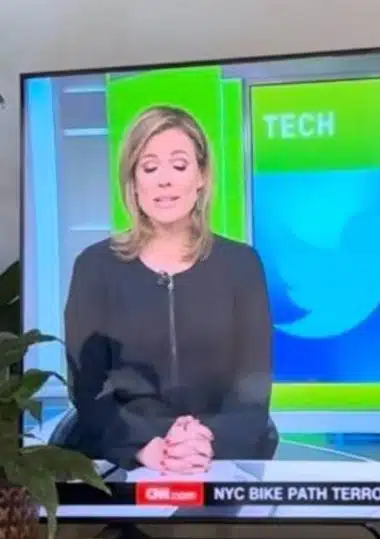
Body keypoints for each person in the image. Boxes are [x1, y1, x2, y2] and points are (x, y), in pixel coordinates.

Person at [63, 105, 279, 472]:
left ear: (201, 176)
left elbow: (252, 387)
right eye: (149, 168)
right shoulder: (94, 266)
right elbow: (89, 390)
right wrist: (146, 447)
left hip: (221, 454)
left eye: (179, 166)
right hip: (124, 455)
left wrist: (204, 442)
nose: (164, 181)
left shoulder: (241, 264)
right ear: (133, 181)